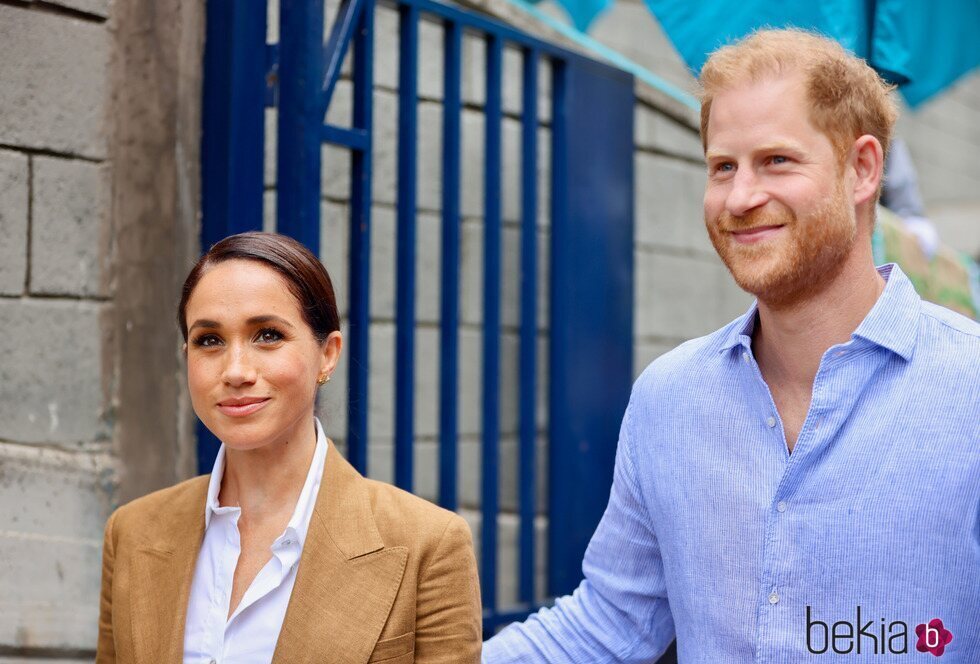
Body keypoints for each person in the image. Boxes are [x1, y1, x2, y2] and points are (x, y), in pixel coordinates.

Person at [484, 29, 979, 662]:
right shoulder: (669, 396)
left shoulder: (969, 387)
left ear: (862, 170)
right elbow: (607, 626)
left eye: (776, 160)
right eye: (723, 167)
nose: (740, 198)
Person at [96, 232, 481, 663]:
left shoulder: (427, 544)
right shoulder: (131, 533)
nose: (236, 370)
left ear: (328, 355)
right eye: (210, 340)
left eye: (267, 335)